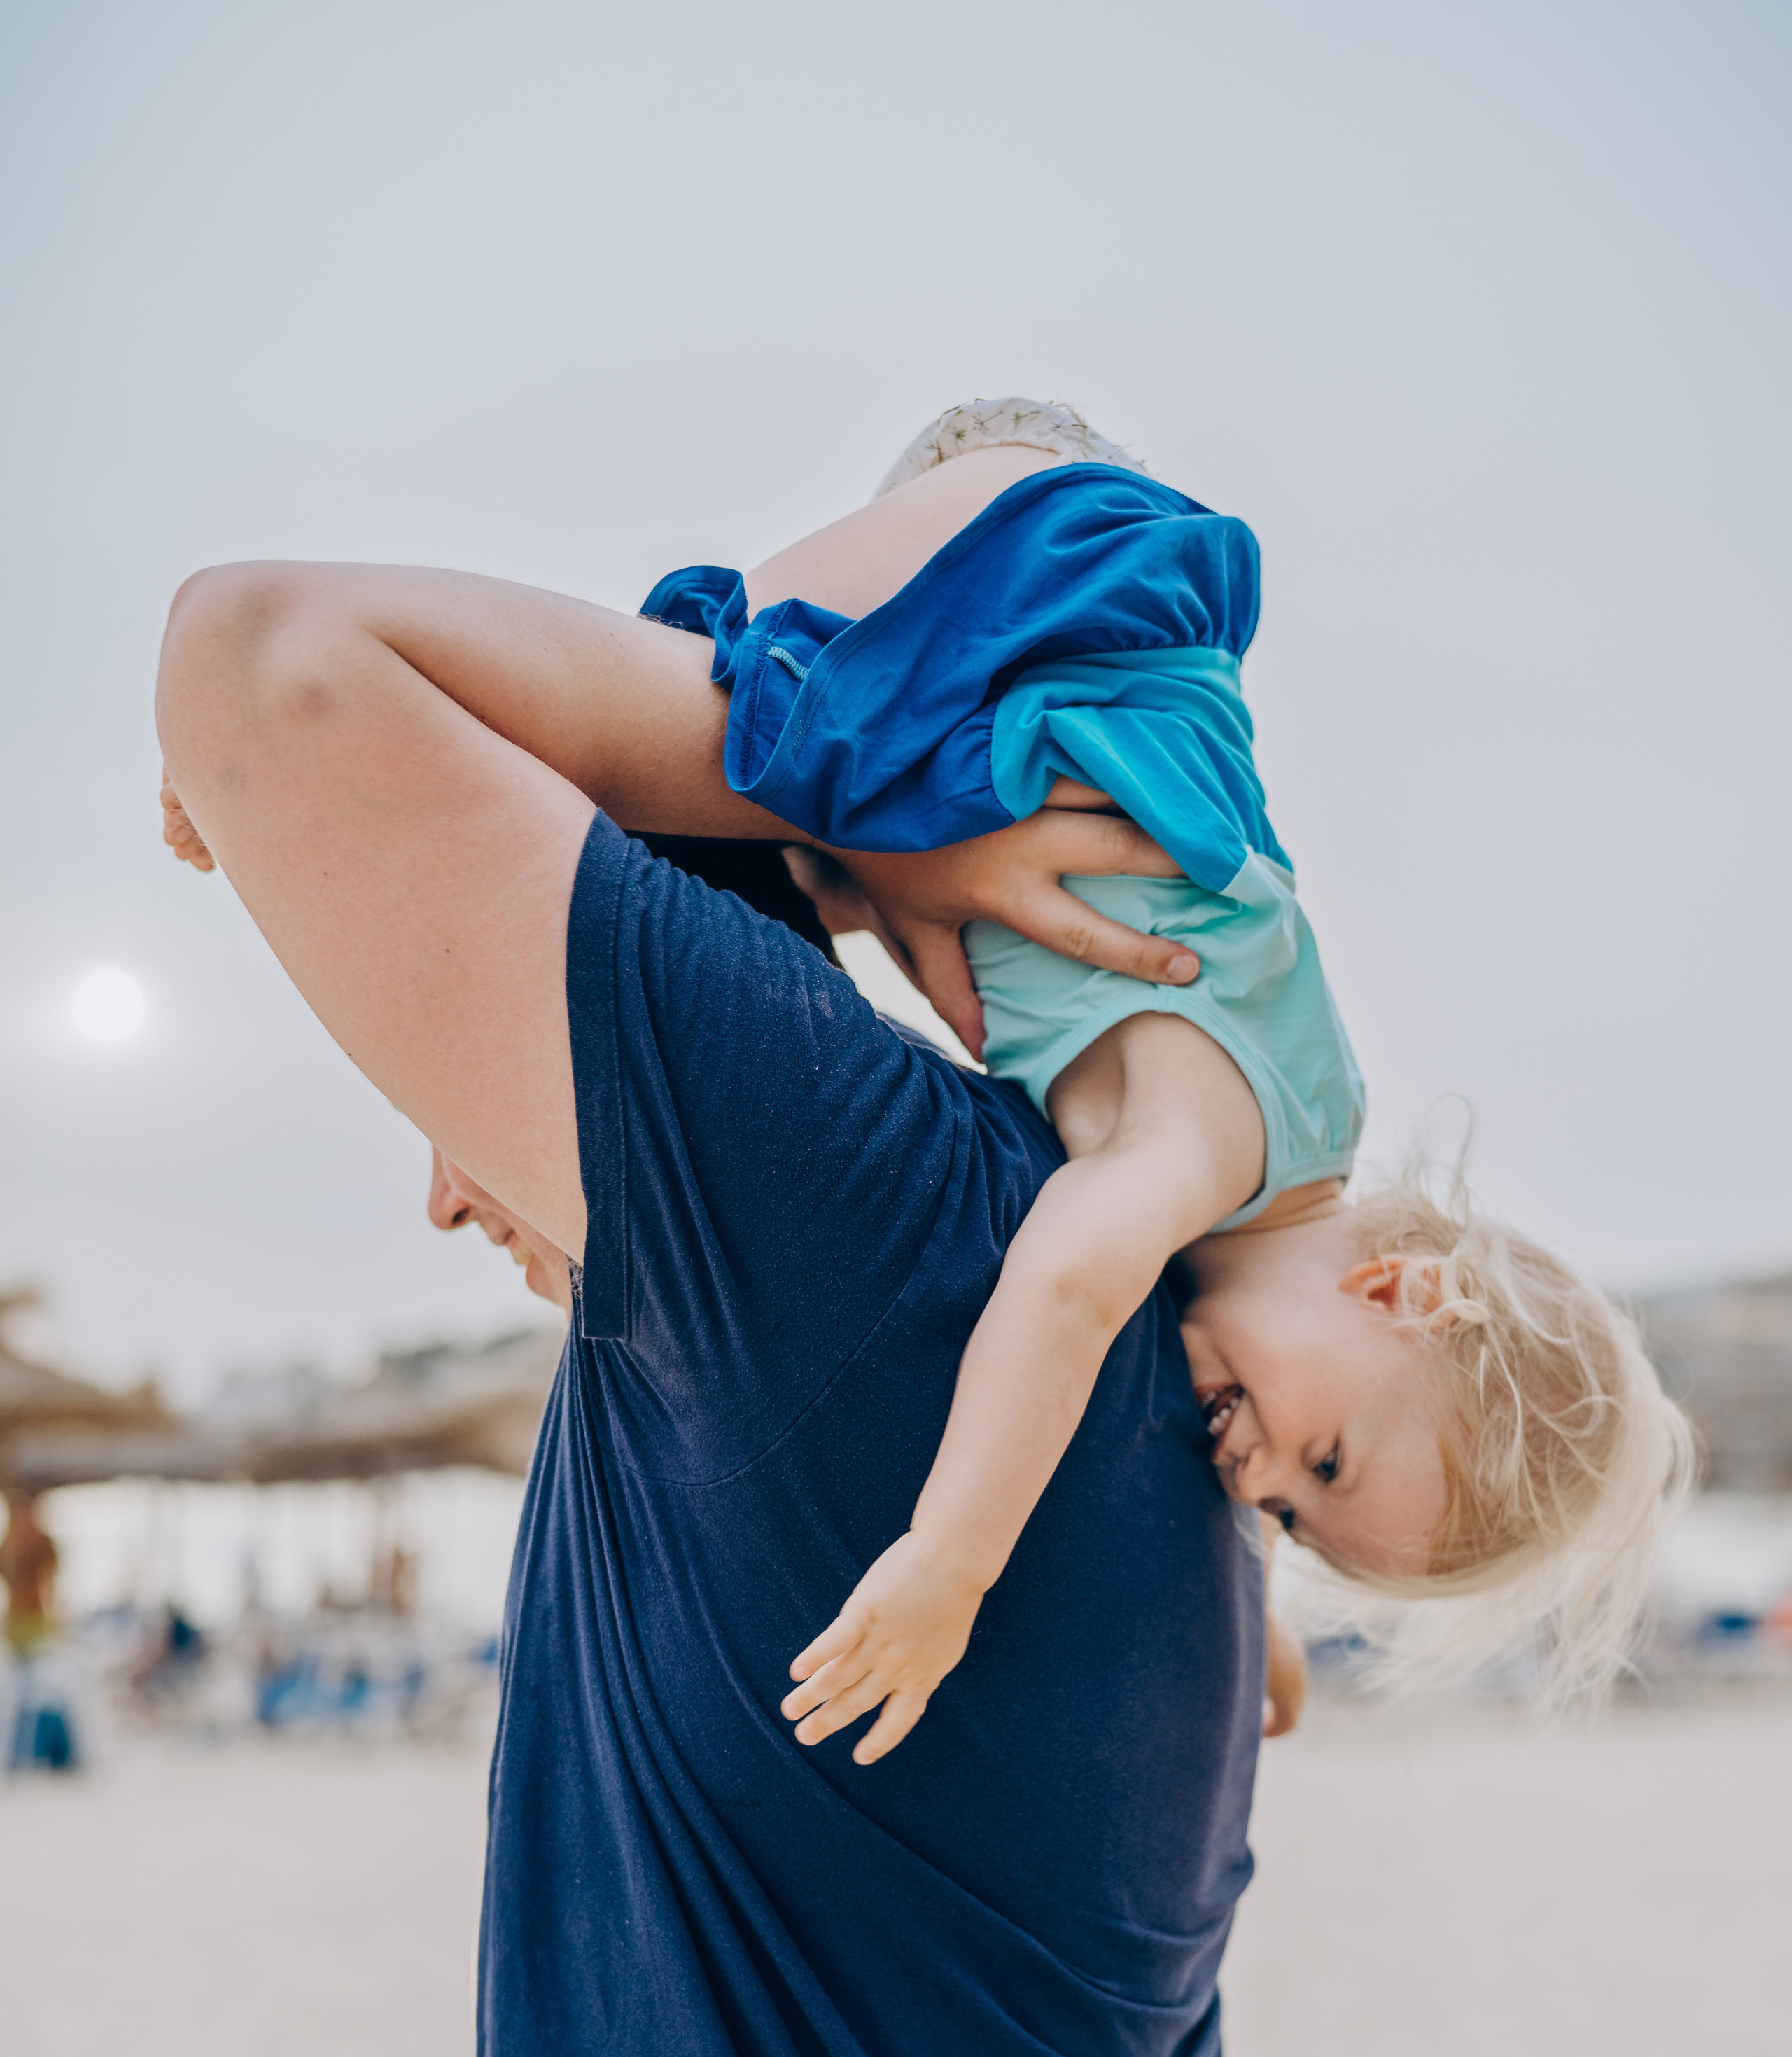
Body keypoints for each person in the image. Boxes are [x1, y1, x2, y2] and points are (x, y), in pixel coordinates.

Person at [156, 438, 1299, 2057]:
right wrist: (892, 825)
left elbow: (265, 657)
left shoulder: (883, 1228)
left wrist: (861, 788)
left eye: (831, 661)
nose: (442, 1181)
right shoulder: (1140, 1323)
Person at [631, 398, 1688, 1760]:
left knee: (730, 865)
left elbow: (1294, 1366)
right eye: (1321, 1465)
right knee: (654, 729)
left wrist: (1261, 1618)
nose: (1253, 1479)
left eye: (1293, 1516)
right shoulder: (1211, 1149)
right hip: (1038, 589)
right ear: (1401, 1290)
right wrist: (950, 1561)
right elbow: (1068, 1287)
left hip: (1030, 593)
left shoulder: (1287, 1189)